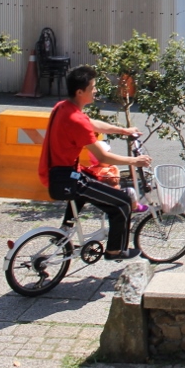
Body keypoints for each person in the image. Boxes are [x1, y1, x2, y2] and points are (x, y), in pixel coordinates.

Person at [39, 65, 151, 262]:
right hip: (66, 180)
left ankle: (66, 229)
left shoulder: (64, 107)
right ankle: (115, 251)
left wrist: (123, 130)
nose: (96, 90)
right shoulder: (76, 120)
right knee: (122, 202)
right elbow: (103, 158)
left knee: (93, 179)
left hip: (60, 173)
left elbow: (92, 124)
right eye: (93, 88)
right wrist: (135, 161)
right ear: (80, 92)